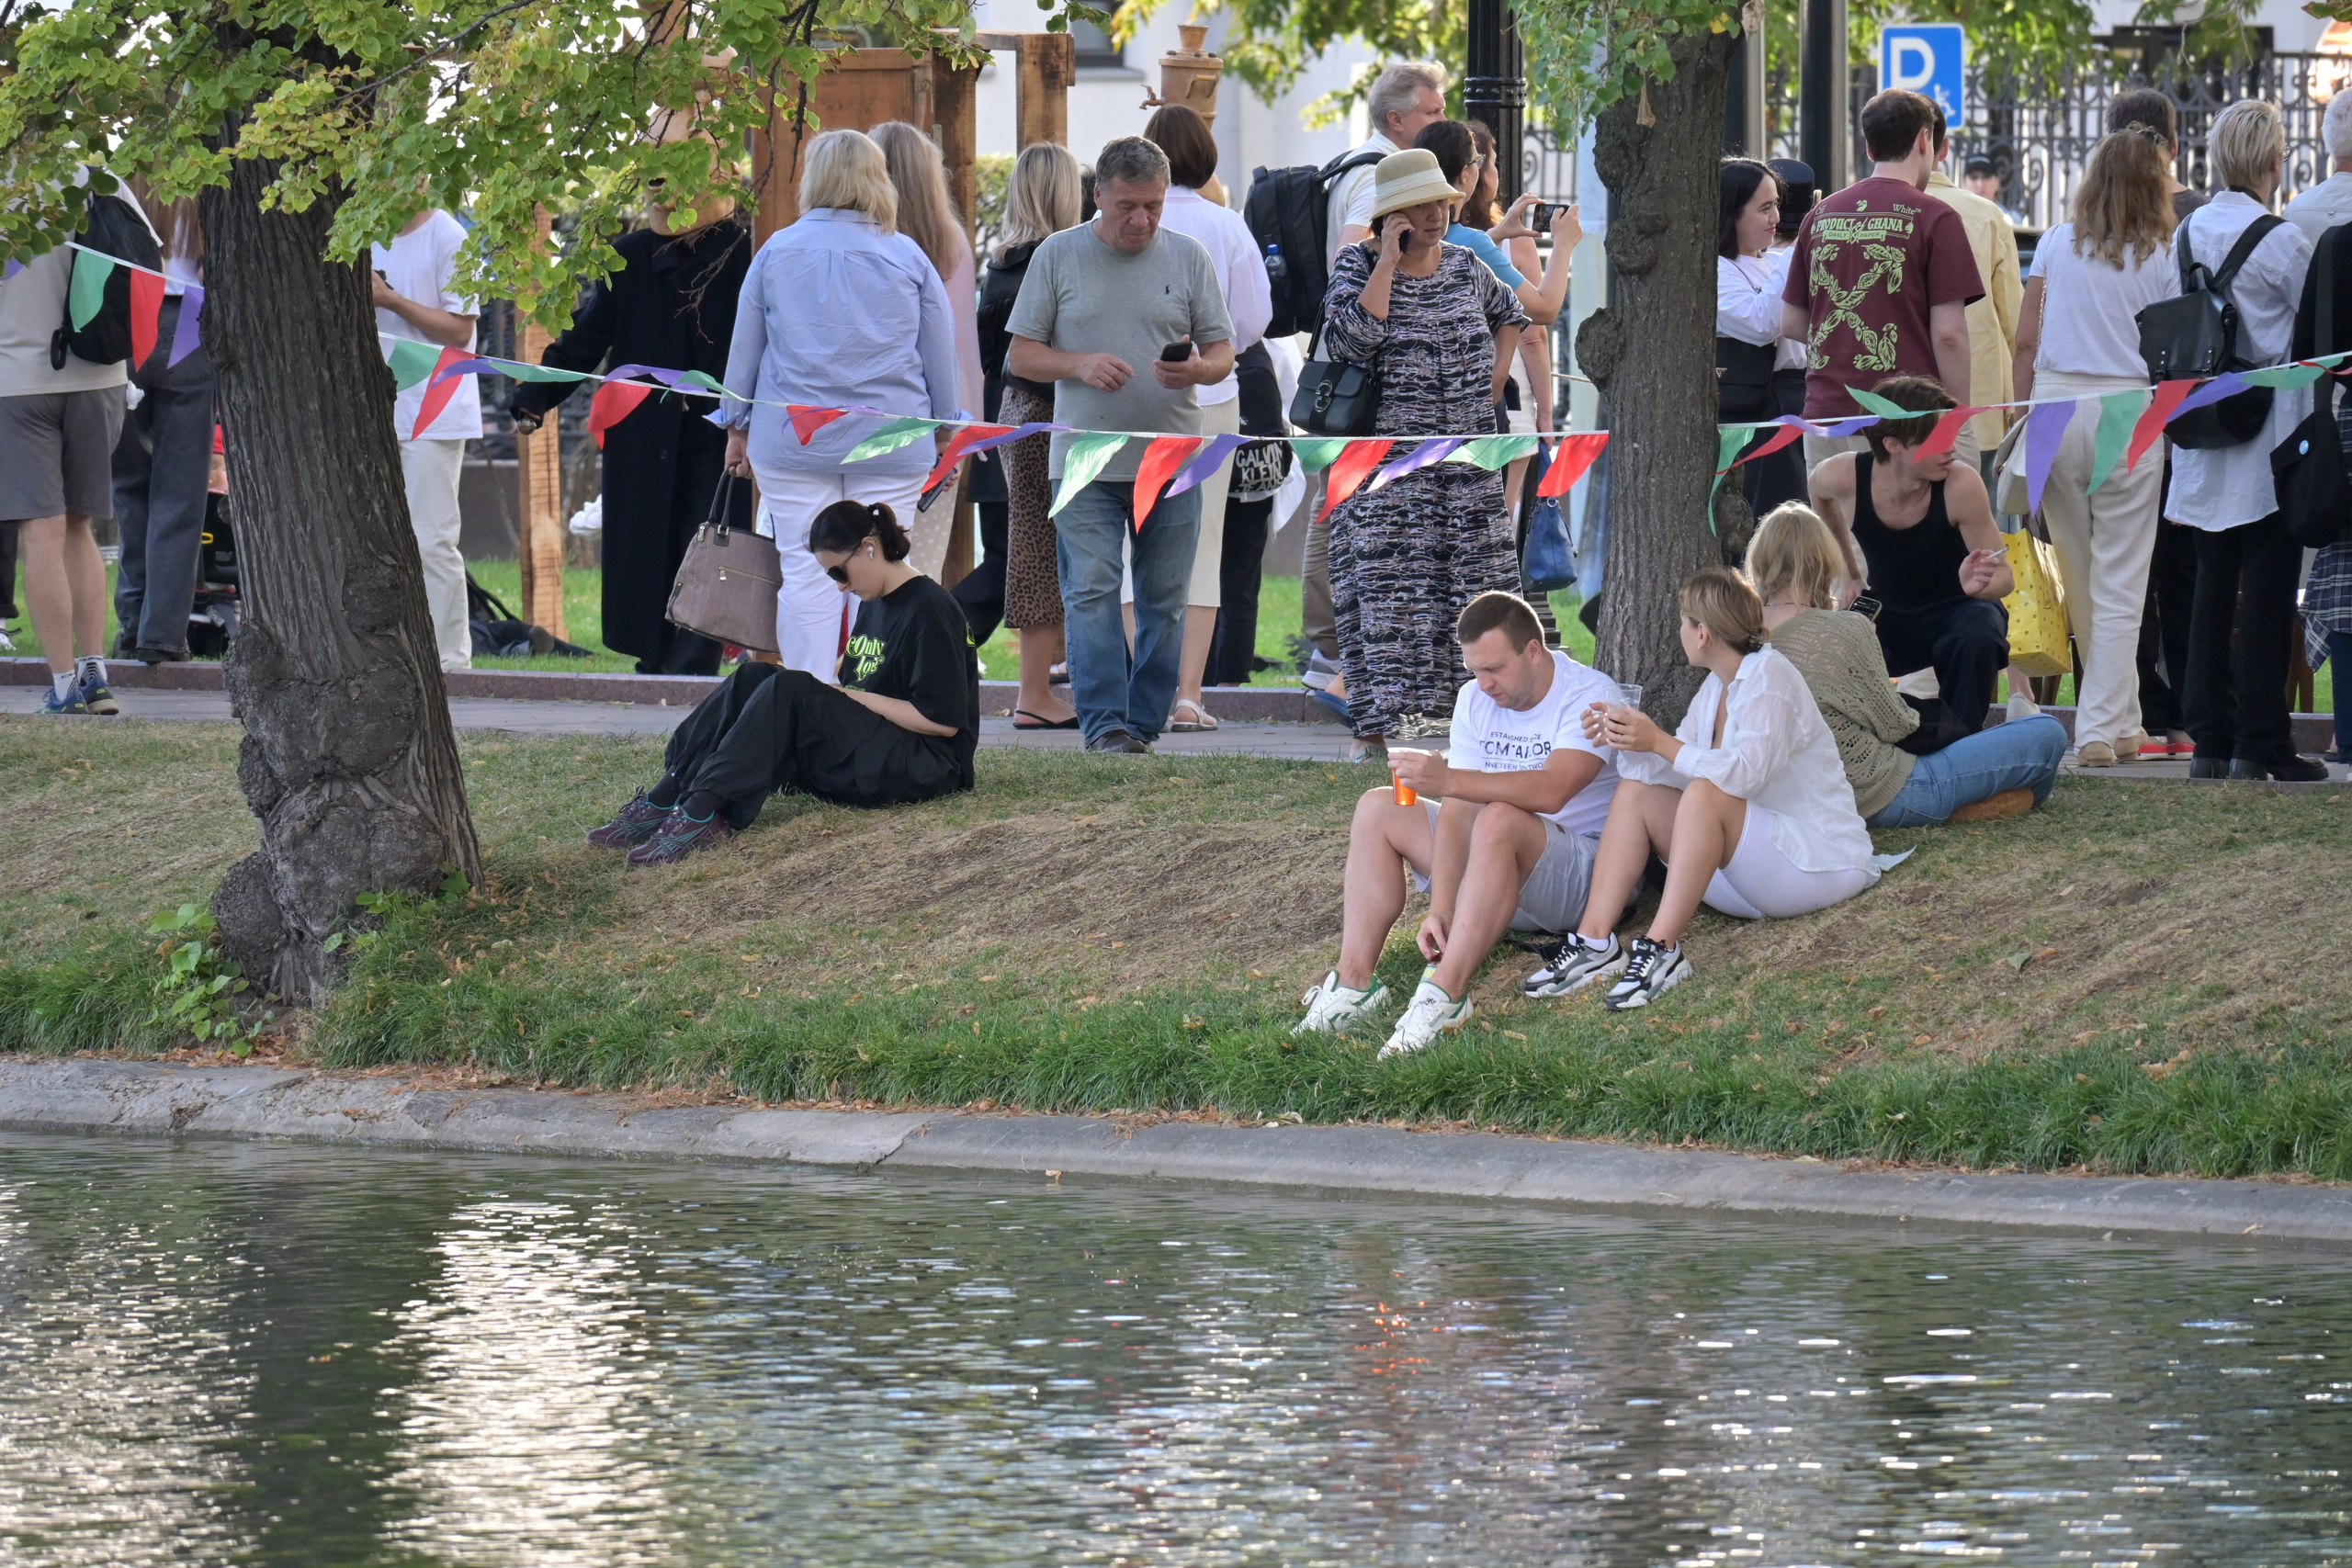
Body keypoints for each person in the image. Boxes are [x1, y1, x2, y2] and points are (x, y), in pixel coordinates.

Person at [1530, 568, 1878, 1010]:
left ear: (1703, 633)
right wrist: (1628, 741)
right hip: (1748, 870)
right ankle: (1595, 944)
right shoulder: (1716, 687)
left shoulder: (1771, 677)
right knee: (1637, 788)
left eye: (1683, 621)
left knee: (1706, 793)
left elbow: (1743, 777)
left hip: (1817, 864)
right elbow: (1678, 768)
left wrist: (1660, 741)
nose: (1680, 631)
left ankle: (1661, 949)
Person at [1293, 592, 1621, 1056]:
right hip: (1493, 869)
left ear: (1533, 649)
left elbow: (1554, 790)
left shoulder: (1589, 693)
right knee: (1379, 807)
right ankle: (1353, 984)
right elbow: (1460, 807)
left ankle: (1445, 994)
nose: (1484, 684)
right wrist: (1442, 905)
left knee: (1500, 817)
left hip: (1579, 877)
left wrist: (1448, 778)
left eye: (1495, 669)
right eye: (1475, 670)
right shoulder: (1475, 698)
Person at [587, 500, 978, 865]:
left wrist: (837, 695)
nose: (840, 586)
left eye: (840, 572)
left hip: (927, 766)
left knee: (789, 687)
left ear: (869, 547)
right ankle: (666, 796)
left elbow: (941, 721)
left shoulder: (930, 608)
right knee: (757, 674)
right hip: (879, 747)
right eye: (831, 576)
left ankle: (702, 810)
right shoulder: (876, 599)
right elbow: (861, 679)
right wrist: (832, 692)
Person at [1005, 136, 1234, 755]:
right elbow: (1020, 353)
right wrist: (1078, 365)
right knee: (1092, 585)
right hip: (1083, 457)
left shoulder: (1187, 258)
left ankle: (1145, 719)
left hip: (1171, 457)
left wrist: (1199, 372)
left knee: (1164, 594)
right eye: (1127, 206)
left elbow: (1222, 350)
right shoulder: (1059, 255)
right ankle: (1104, 722)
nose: (1142, 220)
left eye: (1154, 206)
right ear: (1098, 195)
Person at [513, 114, 752, 676]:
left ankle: (694, 666)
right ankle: (655, 662)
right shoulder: (632, 255)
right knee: (645, 547)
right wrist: (534, 397)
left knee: (710, 546)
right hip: (642, 437)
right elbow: (585, 338)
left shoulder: (747, 253)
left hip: (722, 437)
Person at [720, 129, 961, 675]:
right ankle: (875, 702)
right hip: (890, 440)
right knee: (881, 571)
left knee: (805, 572)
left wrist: (736, 427)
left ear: (814, 179)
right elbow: (939, 358)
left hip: (790, 439)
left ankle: (808, 701)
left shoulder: (775, 251)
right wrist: (944, 427)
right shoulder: (908, 256)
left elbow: (745, 355)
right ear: (878, 179)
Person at [1319, 149, 1530, 752]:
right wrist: (1386, 261)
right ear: (1392, 214)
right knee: (1394, 605)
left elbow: (1511, 313)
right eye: (1420, 205)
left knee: (1475, 595)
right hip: (1389, 474)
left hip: (1466, 467)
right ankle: (1386, 733)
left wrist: (1492, 382)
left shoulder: (1466, 265)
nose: (1437, 213)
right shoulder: (1357, 266)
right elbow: (1349, 342)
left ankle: (1482, 729)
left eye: (1441, 200)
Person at [2165, 100, 2324, 783]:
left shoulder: (2189, 230)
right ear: (2270, 161)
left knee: (2209, 588)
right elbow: (2313, 327)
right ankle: (2262, 738)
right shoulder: (2282, 240)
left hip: (2202, 427)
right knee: (2265, 592)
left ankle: (2208, 735)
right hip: (2268, 438)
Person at [2010, 129, 2178, 767]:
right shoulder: (2161, 252)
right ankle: (2100, 730)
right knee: (2122, 579)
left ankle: (2122, 722)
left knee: (2081, 576)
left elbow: (2026, 342)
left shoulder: (2054, 241)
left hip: (2053, 411)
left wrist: (2022, 421)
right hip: (2126, 413)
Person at [1748, 502, 2067, 827]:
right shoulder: (1842, 630)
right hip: (1882, 792)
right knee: (2047, 732)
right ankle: (1985, 803)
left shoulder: (1742, 636)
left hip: (1806, 796)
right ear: (1824, 561)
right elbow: (1898, 725)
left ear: (1760, 561)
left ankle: (1988, 797)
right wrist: (1864, 646)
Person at [1304, 62, 1450, 697]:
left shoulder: (1362, 165)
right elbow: (1349, 258)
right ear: (1398, 120)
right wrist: (1387, 268)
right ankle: (1334, 656)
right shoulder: (1382, 177)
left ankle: (1333, 654)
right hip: (1371, 398)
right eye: (1433, 114)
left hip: (1371, 400)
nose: (1441, 124)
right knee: (1349, 521)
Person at [1131, 104, 1272, 734]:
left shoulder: (1124, 222)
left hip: (1135, 399)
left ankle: (1147, 685)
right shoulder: (1226, 225)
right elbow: (1252, 321)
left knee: (1130, 537)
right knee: (1203, 546)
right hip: (1213, 398)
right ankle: (1188, 694)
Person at [5, 170, 151, 715]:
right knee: (79, 525)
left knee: (38, 533)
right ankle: (96, 674)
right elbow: (143, 264)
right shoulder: (101, 178)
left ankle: (63, 685)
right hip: (100, 376)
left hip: (15, 381)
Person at [1781, 89, 1984, 469]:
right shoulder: (1935, 218)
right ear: (1926, 140)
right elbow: (1949, 335)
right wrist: (1956, 415)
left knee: (1837, 530)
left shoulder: (1820, 214)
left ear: (1870, 149)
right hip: (1909, 419)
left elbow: (1791, 323)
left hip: (1825, 416)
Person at [1808, 376, 2015, 749]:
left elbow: (2005, 579)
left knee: (1978, 630)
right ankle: (1876, 745)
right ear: (1893, 445)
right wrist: (1849, 571)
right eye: (1937, 441)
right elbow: (1817, 493)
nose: (1950, 449)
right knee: (1835, 644)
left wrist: (1982, 586)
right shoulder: (1845, 475)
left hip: (1957, 608)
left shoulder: (1960, 485)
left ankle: (1964, 746)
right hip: (1891, 610)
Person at [976, 141, 1085, 730]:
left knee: (1035, 547)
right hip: (1051, 411)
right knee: (1042, 555)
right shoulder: (1058, 259)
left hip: (1015, 411)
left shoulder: (1001, 262)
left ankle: (1049, 686)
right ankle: (1035, 695)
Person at [871, 120, 987, 576]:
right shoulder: (948, 240)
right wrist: (961, 429)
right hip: (936, 421)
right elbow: (960, 344)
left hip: (858, 418)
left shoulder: (862, 240)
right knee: (920, 565)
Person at [373, 207, 481, 673]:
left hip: (433, 407)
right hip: (373, 403)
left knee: (431, 539)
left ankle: (449, 663)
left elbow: (462, 330)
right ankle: (388, 655)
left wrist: (391, 300)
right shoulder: (361, 227)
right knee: (376, 540)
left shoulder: (450, 234)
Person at [111, 191, 216, 667]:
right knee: (180, 492)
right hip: (190, 326)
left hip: (128, 326)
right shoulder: (209, 180)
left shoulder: (119, 182)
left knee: (129, 485)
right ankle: (163, 634)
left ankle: (131, 624)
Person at [1926, 107, 2024, 463]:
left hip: (1890, 403)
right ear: (1943, 148)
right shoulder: (1985, 214)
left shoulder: (1863, 211)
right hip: (1978, 396)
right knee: (1981, 511)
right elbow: (2015, 320)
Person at [1717, 159, 1805, 516]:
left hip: (1801, 397)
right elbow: (1762, 323)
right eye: (1764, 208)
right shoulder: (1716, 269)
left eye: (1777, 206)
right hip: (1758, 404)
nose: (1776, 218)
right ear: (1731, 214)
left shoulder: (1776, 260)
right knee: (1773, 514)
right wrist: (1800, 250)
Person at [1961, 155, 2025, 225]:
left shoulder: (2011, 220)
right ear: (1964, 183)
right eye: (1974, 177)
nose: (1980, 184)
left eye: (1986, 177)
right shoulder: (1954, 217)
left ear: (1997, 182)